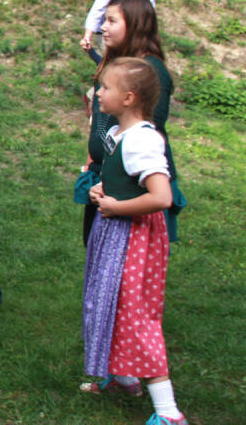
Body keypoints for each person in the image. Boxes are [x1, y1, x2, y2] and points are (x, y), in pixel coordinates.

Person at [80, 57, 185, 425]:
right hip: (116, 231)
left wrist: (118, 205)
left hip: (133, 239)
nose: (98, 93)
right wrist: (104, 187)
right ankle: (124, 378)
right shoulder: (121, 134)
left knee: (135, 315)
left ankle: (169, 412)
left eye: (105, 88)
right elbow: (125, 175)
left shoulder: (142, 138)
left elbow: (161, 197)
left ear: (128, 97)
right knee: (108, 301)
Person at [77, 0, 185, 246]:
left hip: (130, 188)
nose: (103, 27)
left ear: (135, 25)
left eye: (112, 21)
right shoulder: (118, 65)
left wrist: (115, 182)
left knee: (126, 271)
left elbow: (146, 133)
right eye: (104, 20)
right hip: (106, 180)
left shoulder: (149, 72)